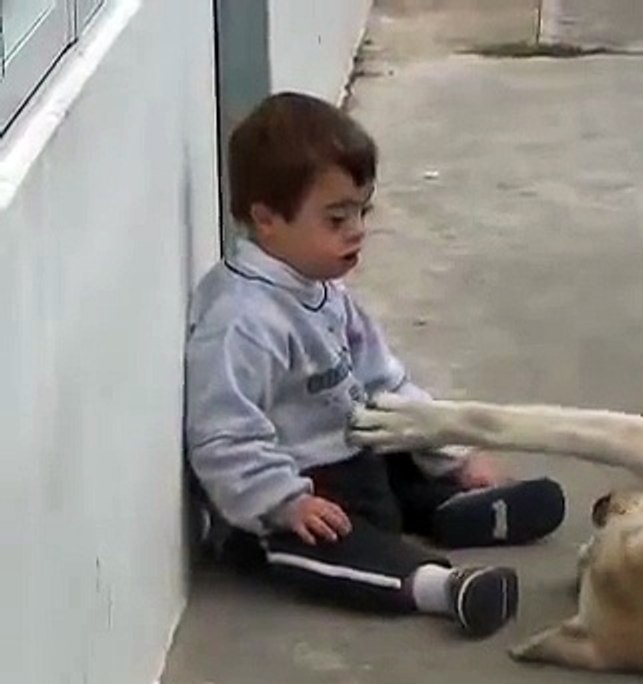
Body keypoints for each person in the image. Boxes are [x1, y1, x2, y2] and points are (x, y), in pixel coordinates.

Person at [183, 91, 565, 638]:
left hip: (354, 460)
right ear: (267, 220)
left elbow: (385, 384)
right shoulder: (241, 320)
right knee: (331, 544)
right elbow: (223, 434)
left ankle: (453, 504)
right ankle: (437, 585)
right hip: (293, 496)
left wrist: (451, 453)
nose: (357, 229)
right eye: (336, 217)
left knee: (397, 462)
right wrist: (281, 501)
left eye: (362, 211)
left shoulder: (326, 292)